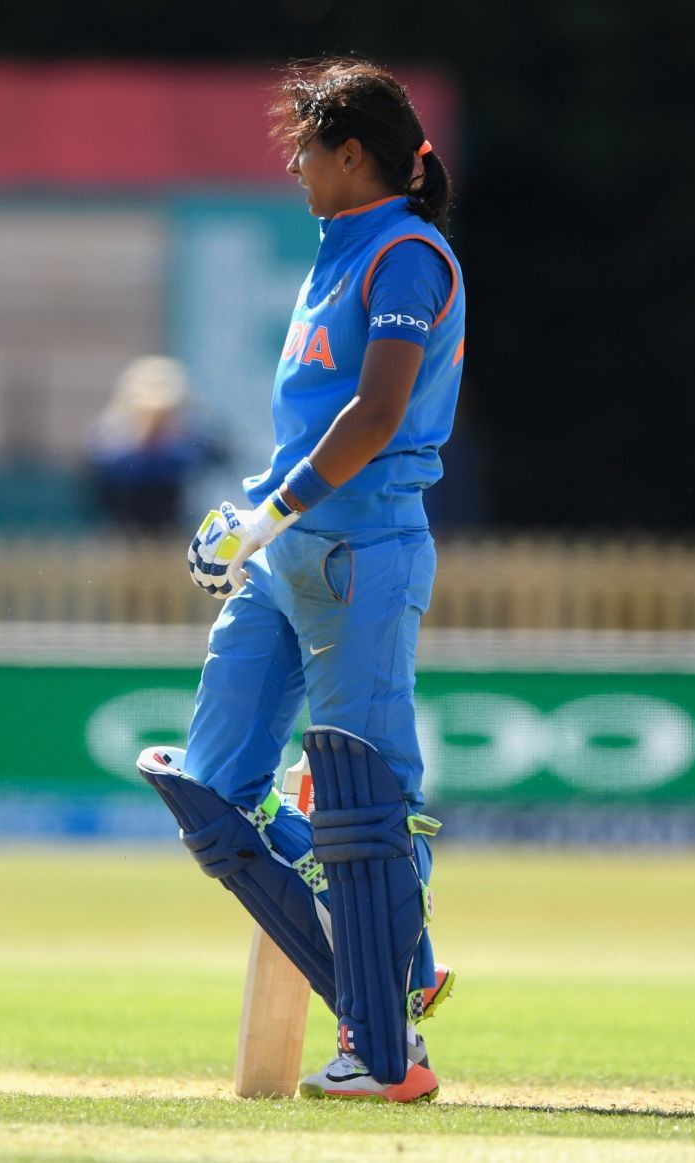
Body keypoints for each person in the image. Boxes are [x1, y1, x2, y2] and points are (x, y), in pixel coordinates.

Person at [137, 58, 464, 1103]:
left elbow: (373, 417)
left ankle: (384, 1050)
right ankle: (398, 966)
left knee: (361, 801)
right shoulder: (338, 253)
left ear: (353, 153)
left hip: (361, 549)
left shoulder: (408, 254)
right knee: (209, 790)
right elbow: (311, 423)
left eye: (307, 151)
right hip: (288, 553)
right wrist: (248, 514)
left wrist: (274, 512)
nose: (297, 171)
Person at [86, 355, 221, 533]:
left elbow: (218, 455)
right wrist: (145, 442)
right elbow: (103, 467)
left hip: (174, 530)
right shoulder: (114, 437)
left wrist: (171, 441)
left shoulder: (188, 437)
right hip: (121, 533)